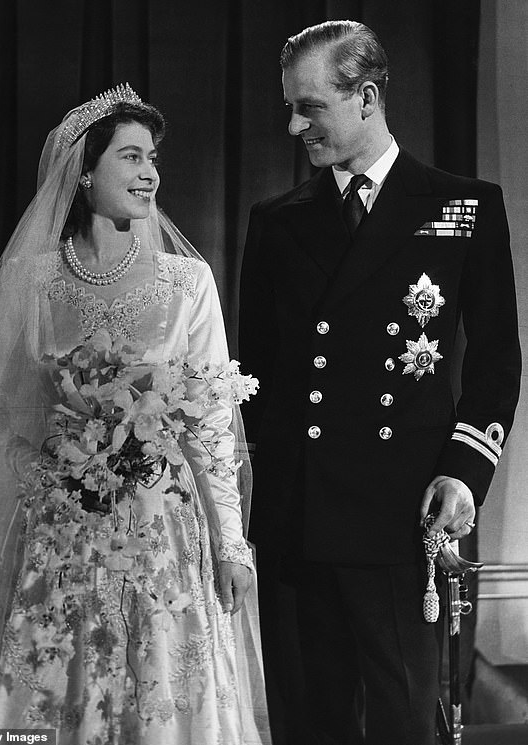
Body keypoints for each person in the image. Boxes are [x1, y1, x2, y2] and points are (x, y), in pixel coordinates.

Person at [0, 85, 270, 744]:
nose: (149, 171)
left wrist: (231, 544)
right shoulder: (32, 281)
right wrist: (44, 469)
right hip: (62, 533)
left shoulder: (188, 283)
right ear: (85, 171)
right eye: (130, 156)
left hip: (161, 537)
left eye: (151, 156)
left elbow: (212, 427)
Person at [239, 20, 521, 745]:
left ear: (366, 97)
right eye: (290, 106)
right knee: (311, 725)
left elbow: (495, 360)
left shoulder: (462, 206)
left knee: (403, 722)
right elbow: (256, 378)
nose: (294, 124)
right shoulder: (275, 223)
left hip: (402, 516)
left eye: (310, 106)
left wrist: (464, 473)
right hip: (297, 522)